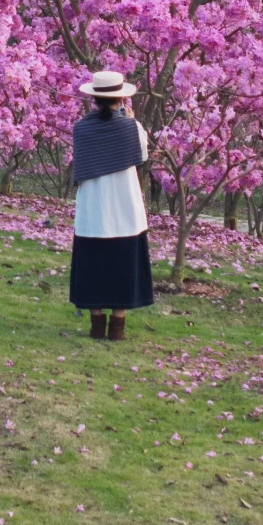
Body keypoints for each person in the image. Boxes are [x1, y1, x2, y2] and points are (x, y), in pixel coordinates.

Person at [68, 70, 153, 340]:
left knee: (93, 265)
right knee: (122, 264)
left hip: (94, 208)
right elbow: (143, 153)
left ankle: (96, 325)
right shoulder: (132, 127)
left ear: (94, 99)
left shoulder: (82, 128)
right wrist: (131, 120)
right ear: (121, 98)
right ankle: (117, 326)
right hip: (124, 206)